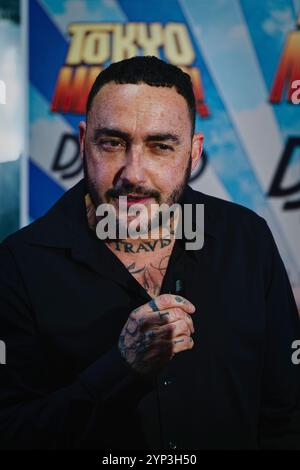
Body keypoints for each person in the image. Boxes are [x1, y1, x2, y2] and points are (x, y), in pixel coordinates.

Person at [0, 56, 299, 450]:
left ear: (193, 152)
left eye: (160, 146)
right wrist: (119, 367)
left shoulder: (246, 239)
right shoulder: (21, 263)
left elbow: (286, 416)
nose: (134, 174)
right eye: (112, 143)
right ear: (83, 141)